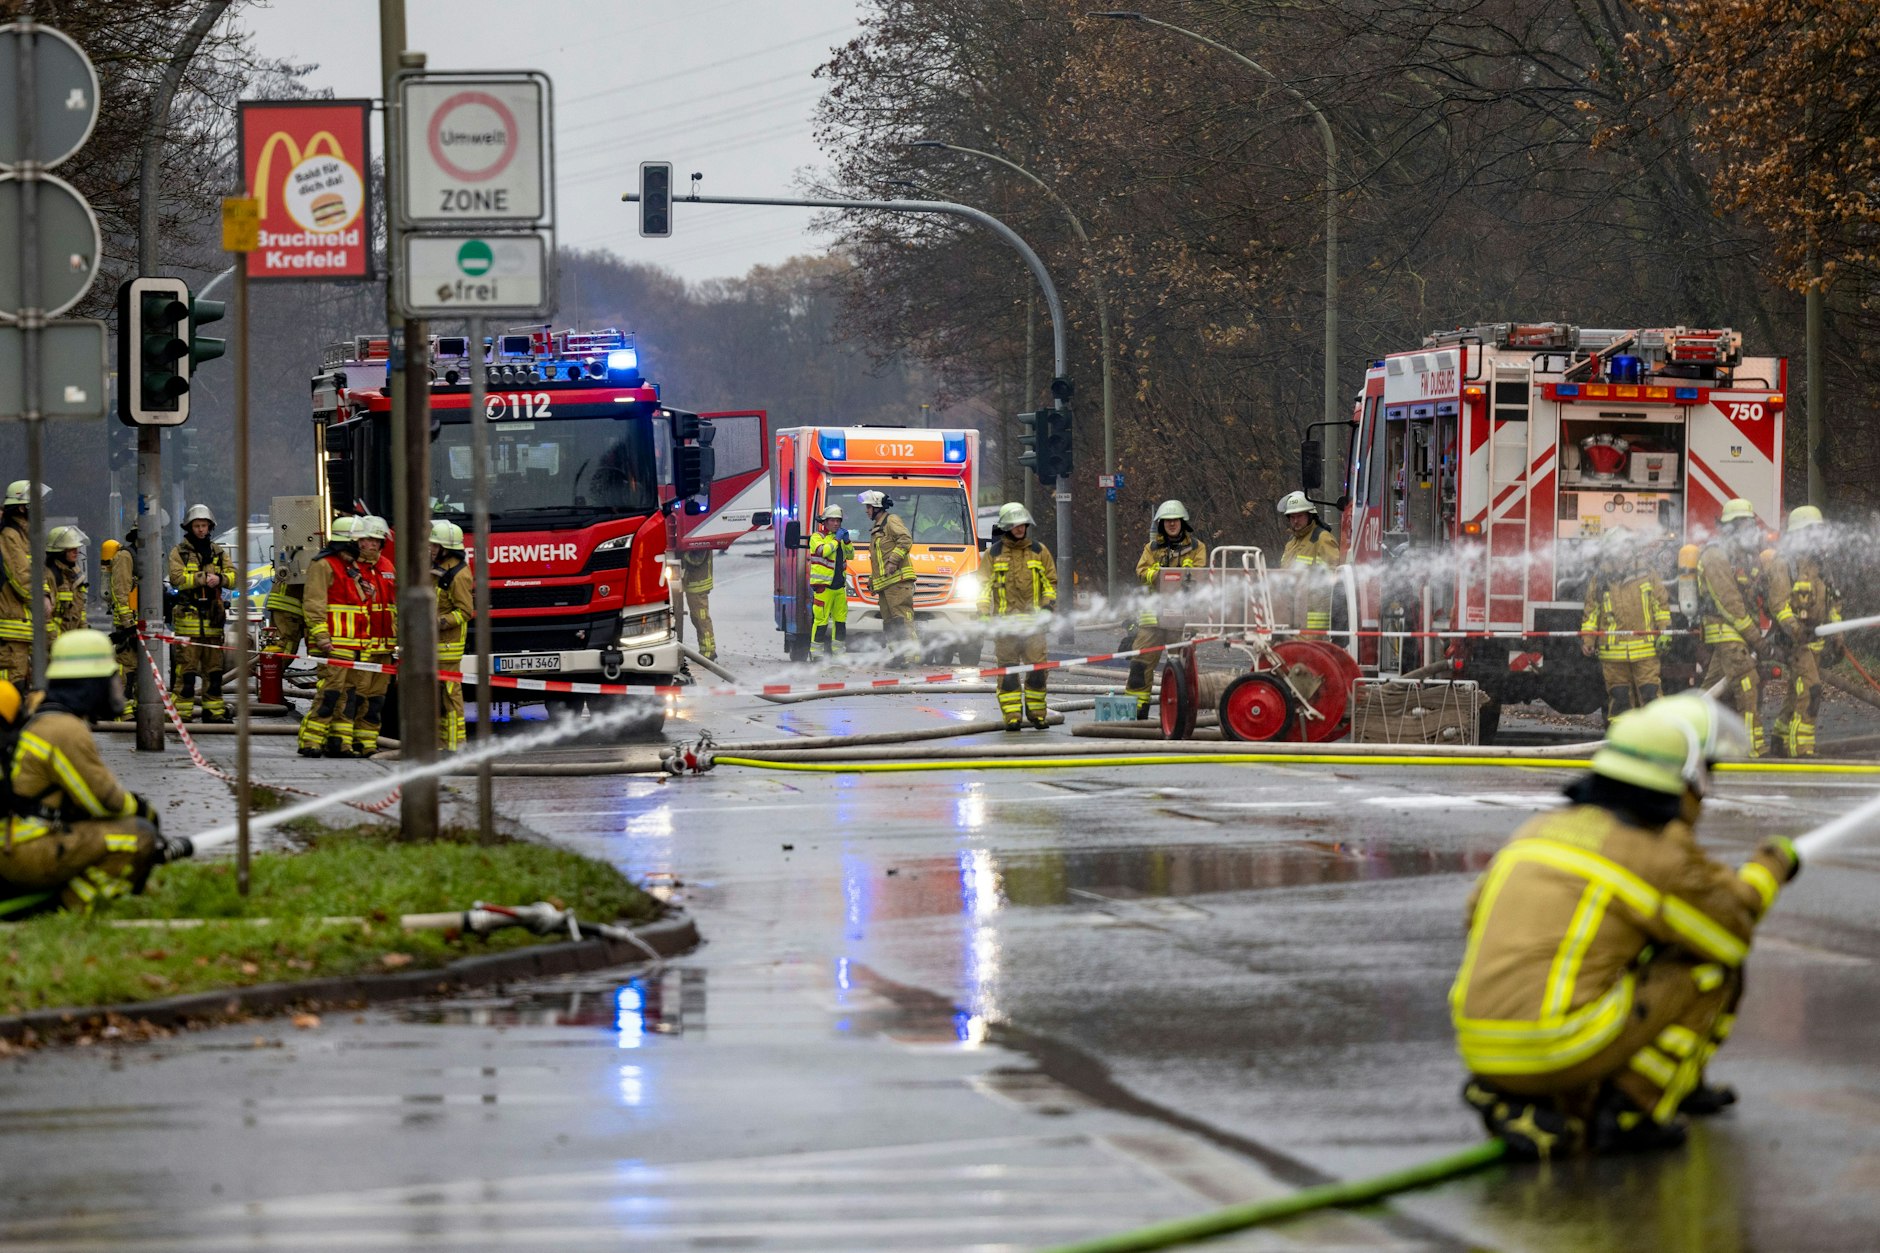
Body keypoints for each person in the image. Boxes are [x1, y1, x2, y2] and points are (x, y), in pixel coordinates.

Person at [1451, 692, 1798, 1160]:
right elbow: (1729, 936)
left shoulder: (1538, 831)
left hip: (1479, 1044)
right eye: (1706, 775)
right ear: (1684, 781)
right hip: (1552, 1048)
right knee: (1711, 972)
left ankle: (1525, 1095)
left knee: (1625, 959)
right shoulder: (1655, 856)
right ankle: (1634, 1109)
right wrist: (1769, 867)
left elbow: (1474, 920)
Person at [0, 630, 192, 918]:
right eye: (110, 678)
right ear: (91, 684)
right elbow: (103, 801)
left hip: (14, 840)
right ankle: (65, 911)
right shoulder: (63, 729)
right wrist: (142, 809)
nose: (116, 687)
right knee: (138, 835)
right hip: (22, 851)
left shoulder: (44, 713)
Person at [1761, 505, 1843, 757]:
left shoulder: (1820, 565)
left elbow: (1833, 603)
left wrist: (1838, 636)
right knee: (1811, 689)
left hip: (1815, 641)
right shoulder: (1784, 563)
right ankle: (1802, 749)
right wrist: (1797, 631)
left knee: (1797, 691)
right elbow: (1779, 605)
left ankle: (1779, 737)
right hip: (1795, 640)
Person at [1697, 498, 1769, 756]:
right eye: (1741, 525)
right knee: (1747, 683)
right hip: (1724, 628)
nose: (1747, 531)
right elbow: (1729, 602)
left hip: (1737, 630)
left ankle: (1691, 736)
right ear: (1728, 528)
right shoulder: (1715, 555)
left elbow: (1759, 590)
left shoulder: (1745, 556)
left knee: (1710, 692)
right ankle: (1751, 749)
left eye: (1749, 525)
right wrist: (1755, 637)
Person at [978, 503, 1058, 730]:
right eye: (1015, 524)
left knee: (1037, 672)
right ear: (1006, 526)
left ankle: (1037, 714)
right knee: (1009, 674)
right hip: (1005, 628)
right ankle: (1012, 716)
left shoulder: (1039, 551)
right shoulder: (993, 555)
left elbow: (1050, 583)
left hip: (1033, 627)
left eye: (1023, 523)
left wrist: (1047, 606)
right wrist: (983, 614)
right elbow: (983, 587)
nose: (1020, 528)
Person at [1580, 528, 1673, 720]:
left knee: (1651, 698)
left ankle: (1655, 743)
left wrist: (1665, 631)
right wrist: (1588, 640)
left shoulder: (1647, 574)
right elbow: (1592, 612)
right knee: (1620, 702)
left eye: (1627, 546)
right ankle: (1622, 745)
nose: (1624, 551)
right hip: (1613, 654)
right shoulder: (1600, 579)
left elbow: (1660, 605)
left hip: (1645, 651)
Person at [1126, 500, 1207, 718]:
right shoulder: (1151, 548)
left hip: (1181, 618)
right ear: (1161, 525)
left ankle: (1181, 710)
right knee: (1140, 665)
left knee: (1180, 667)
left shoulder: (1197, 548)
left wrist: (1185, 574)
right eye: (1167, 521)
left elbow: (1201, 575)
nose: (1172, 524)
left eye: (1175, 521)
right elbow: (1141, 572)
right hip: (1152, 618)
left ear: (1183, 522)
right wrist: (1156, 574)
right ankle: (1136, 709)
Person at [297, 517, 366, 757]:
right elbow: (314, 603)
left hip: (352, 644)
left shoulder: (350, 568)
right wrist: (321, 636)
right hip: (333, 644)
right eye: (358, 540)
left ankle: (340, 742)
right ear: (346, 541)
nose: (361, 544)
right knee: (330, 693)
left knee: (348, 696)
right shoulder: (323, 565)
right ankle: (311, 741)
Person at [167, 504, 237, 723]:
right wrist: (201, 578)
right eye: (197, 526)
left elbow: (234, 576)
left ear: (210, 527)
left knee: (214, 672)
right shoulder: (179, 552)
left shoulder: (218, 552)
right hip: (188, 619)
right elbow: (176, 578)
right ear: (189, 527)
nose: (200, 530)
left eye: (204, 525)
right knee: (186, 673)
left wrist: (221, 579)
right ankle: (182, 714)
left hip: (213, 622)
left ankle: (214, 712)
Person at [342, 516, 397, 757]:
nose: (371, 545)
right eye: (366, 540)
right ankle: (351, 739)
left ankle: (368, 742)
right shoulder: (352, 568)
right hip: (363, 646)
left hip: (385, 648)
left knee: (377, 699)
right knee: (359, 696)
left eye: (375, 540)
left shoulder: (387, 566)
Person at [862, 489, 918, 663]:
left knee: (901, 619)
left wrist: (894, 561)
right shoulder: (877, 529)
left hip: (898, 583)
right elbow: (879, 559)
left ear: (878, 507)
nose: (866, 511)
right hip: (886, 585)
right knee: (890, 622)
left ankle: (909, 656)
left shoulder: (891, 521)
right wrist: (873, 580)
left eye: (869, 507)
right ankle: (897, 655)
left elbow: (905, 539)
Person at [431, 520, 472, 751]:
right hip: (432, 646)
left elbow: (465, 611)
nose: (432, 549)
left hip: (447, 648)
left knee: (450, 697)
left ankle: (457, 745)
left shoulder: (459, 574)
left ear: (446, 547)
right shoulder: (438, 568)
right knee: (436, 699)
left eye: (435, 546)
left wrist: (435, 623)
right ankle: (440, 743)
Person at [1278, 490, 1342, 635]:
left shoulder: (1322, 538)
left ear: (1310, 515)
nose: (1295, 520)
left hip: (1314, 617)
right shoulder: (1291, 543)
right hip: (1291, 613)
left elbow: (1335, 576)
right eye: (1292, 517)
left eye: (1300, 516)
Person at [0, 480, 41, 688]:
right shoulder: (10, 535)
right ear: (23, 506)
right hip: (11, 620)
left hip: (21, 621)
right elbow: (21, 575)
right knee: (12, 678)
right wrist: (41, 599)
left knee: (22, 676)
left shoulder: (23, 535)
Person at [807, 504, 854, 658]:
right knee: (821, 622)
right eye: (833, 520)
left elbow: (851, 555)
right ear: (825, 522)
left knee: (840, 622)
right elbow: (824, 552)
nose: (836, 524)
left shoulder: (839, 539)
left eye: (838, 521)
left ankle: (839, 654)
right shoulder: (817, 537)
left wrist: (846, 542)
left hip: (839, 588)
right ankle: (816, 654)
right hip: (823, 588)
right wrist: (836, 540)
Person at [106, 529, 140, 720]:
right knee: (127, 668)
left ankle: (135, 709)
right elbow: (120, 591)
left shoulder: (145, 556)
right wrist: (129, 625)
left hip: (142, 623)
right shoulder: (126, 556)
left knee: (140, 670)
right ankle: (123, 712)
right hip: (129, 626)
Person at [46, 525, 88, 640]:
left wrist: (85, 637)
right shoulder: (49, 575)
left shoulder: (73, 575)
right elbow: (46, 615)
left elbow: (80, 611)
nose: (76, 551)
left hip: (72, 642)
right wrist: (55, 643)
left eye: (77, 547)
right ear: (59, 552)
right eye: (71, 548)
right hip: (56, 643)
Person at [679, 548, 717, 661]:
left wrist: (680, 553)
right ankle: (705, 650)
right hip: (693, 583)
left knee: (701, 618)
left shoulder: (700, 543)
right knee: (696, 618)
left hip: (698, 584)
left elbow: (696, 560)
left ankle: (708, 652)